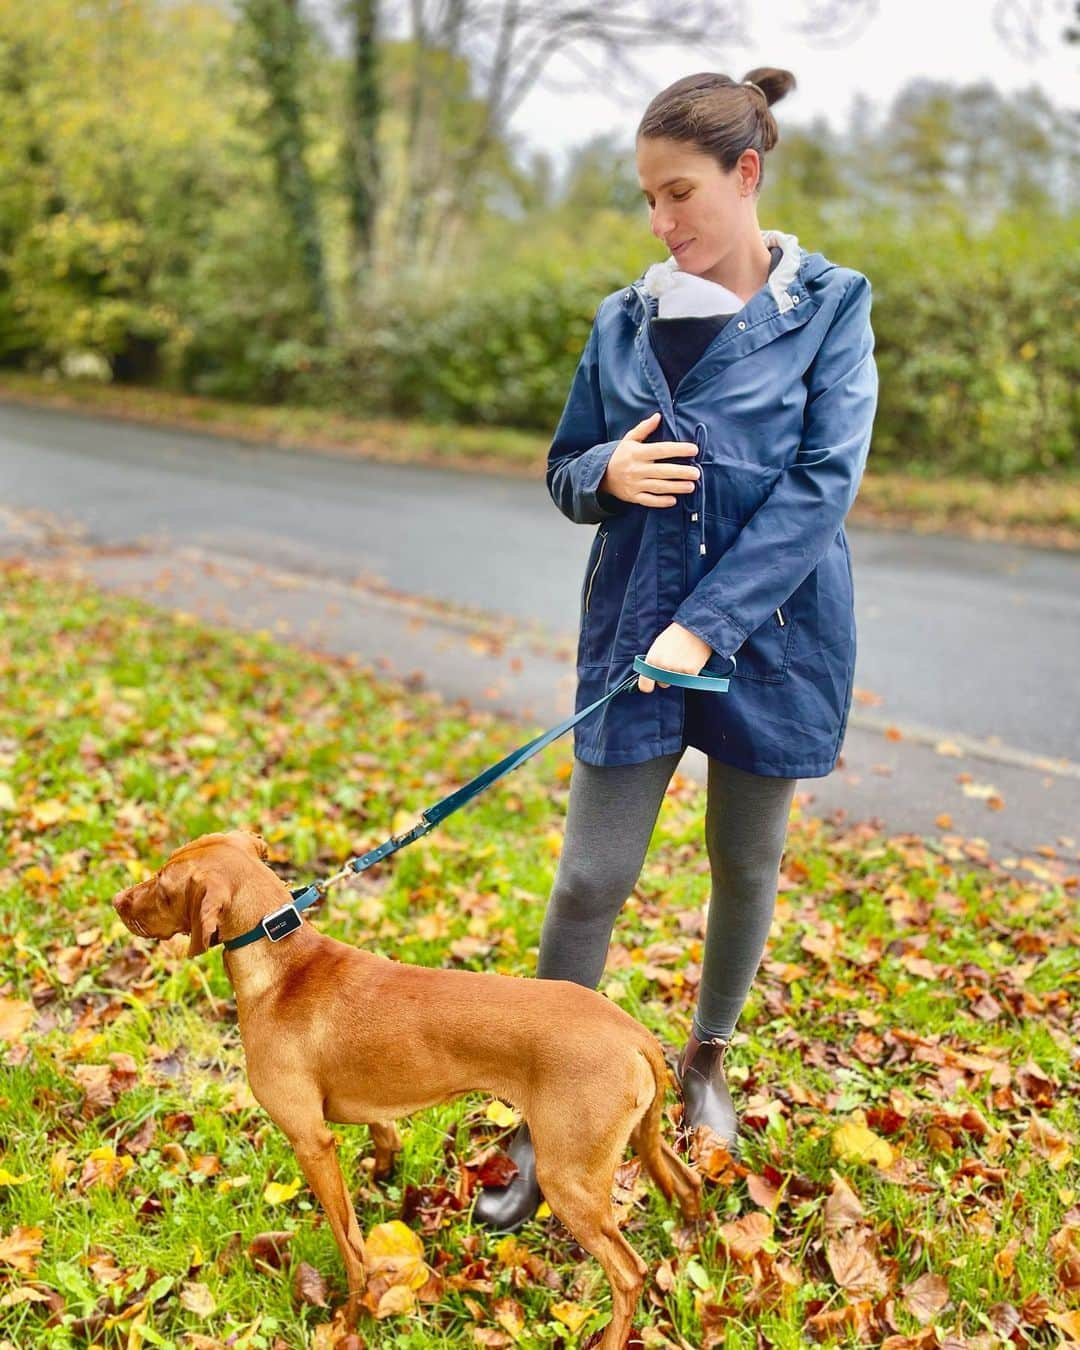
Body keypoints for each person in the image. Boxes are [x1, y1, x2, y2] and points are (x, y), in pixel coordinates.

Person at [473, 67, 879, 1232]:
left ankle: (705, 1061)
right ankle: (544, 1102)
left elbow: (821, 489)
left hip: (776, 638)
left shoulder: (833, 307)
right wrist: (602, 473)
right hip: (631, 633)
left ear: (748, 175)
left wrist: (710, 622)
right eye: (648, 199)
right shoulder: (624, 317)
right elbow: (563, 469)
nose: (663, 222)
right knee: (591, 876)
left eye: (681, 192)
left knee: (744, 864)